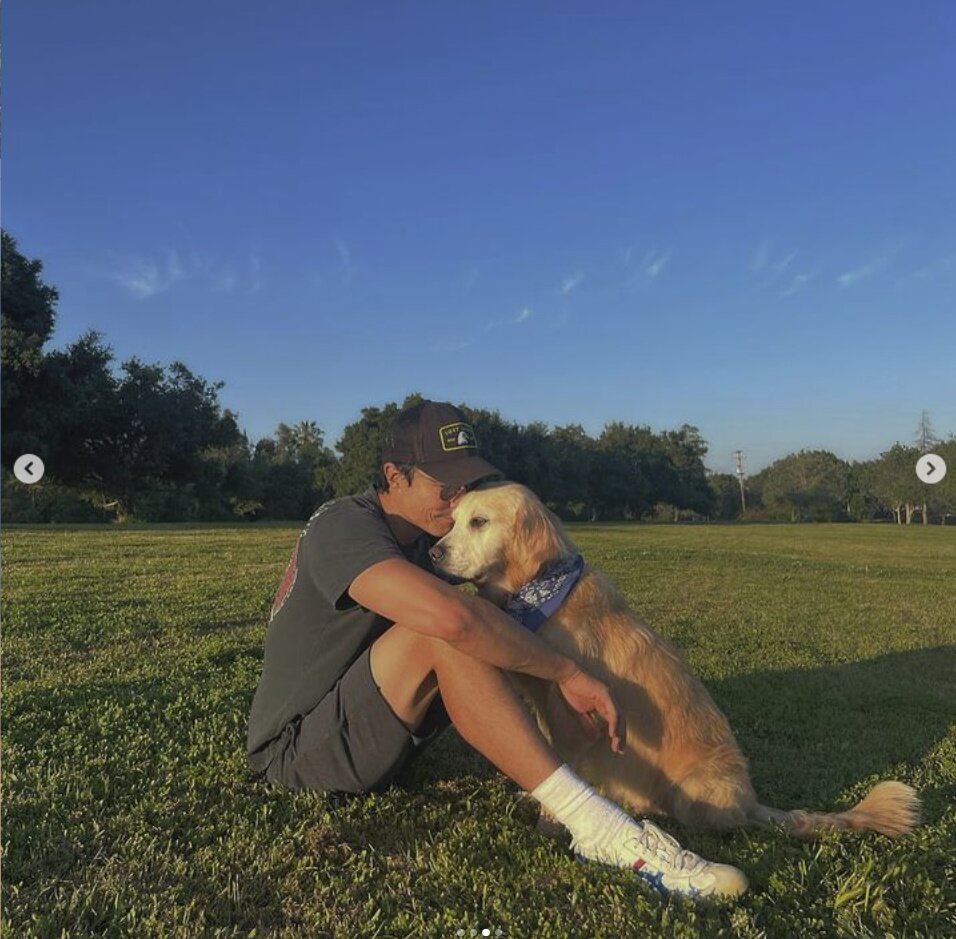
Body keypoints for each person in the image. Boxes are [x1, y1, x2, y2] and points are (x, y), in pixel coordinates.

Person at [247, 400, 747, 900]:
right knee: (446, 627)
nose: (456, 498)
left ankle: (575, 777)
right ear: (394, 477)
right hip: (300, 756)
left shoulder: (424, 541)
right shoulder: (343, 525)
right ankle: (598, 827)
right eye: (444, 485)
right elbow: (452, 621)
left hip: (376, 737)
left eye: (465, 483)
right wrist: (565, 671)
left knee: (475, 628)